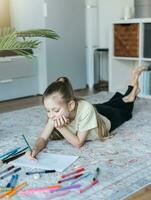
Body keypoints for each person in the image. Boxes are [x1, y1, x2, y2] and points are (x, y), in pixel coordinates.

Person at [26, 66, 151, 159]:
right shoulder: (55, 114)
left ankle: (133, 87)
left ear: (70, 105)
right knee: (111, 103)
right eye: (48, 110)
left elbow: (78, 143)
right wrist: (35, 149)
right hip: (95, 111)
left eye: (55, 110)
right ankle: (132, 91)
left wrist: (61, 127)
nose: (52, 115)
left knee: (125, 111)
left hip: (104, 120)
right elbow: (43, 138)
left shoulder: (85, 108)